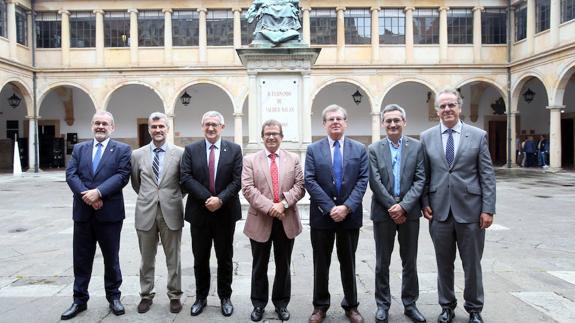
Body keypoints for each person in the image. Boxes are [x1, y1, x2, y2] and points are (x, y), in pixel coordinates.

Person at [420, 88, 496, 323]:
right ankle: (447, 307)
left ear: (459, 107)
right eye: (442, 106)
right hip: (439, 211)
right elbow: (424, 174)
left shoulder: (477, 135)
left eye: (451, 105)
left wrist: (488, 208)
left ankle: (474, 309)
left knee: (472, 264)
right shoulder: (427, 137)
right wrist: (424, 202)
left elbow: (487, 175)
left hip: (472, 212)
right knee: (444, 264)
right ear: (437, 111)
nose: (447, 109)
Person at [62, 111, 131, 320]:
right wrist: (89, 196)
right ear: (92, 126)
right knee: (81, 259)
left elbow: (122, 176)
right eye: (97, 123)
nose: (101, 126)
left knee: (111, 258)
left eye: (105, 123)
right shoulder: (79, 148)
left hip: (109, 214)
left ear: (113, 127)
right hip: (83, 213)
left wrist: (98, 192)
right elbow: (71, 174)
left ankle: (114, 297)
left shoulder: (122, 149)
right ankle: (79, 300)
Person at [305, 105, 368, 323]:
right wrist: (329, 207)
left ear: (345, 122)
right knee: (320, 263)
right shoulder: (314, 149)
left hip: (349, 217)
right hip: (322, 217)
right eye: (330, 119)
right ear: (324, 124)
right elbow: (309, 180)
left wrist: (347, 207)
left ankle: (351, 306)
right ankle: (320, 306)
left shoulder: (359, 149)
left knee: (348, 262)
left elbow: (362, 180)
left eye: (339, 118)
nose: (335, 122)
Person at [180, 110, 243, 317]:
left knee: (225, 258)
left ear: (222, 127)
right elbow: (186, 178)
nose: (211, 128)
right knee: (200, 258)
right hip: (200, 212)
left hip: (225, 214)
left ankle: (225, 296)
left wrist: (220, 199)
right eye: (207, 124)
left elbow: (237, 180)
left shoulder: (234, 150)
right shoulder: (191, 150)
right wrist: (208, 198)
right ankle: (201, 297)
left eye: (215, 124)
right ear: (202, 126)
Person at [242, 119, 306, 322]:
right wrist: (271, 207)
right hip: (261, 219)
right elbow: (248, 189)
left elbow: (300, 186)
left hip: (286, 220)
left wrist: (283, 204)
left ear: (281, 137)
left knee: (283, 265)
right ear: (262, 137)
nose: (271, 137)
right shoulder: (250, 160)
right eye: (267, 133)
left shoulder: (293, 158)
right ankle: (258, 304)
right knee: (259, 265)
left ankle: (281, 303)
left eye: (275, 133)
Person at [368, 104, 426, 323]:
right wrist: (393, 207)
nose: (393, 124)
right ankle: (382, 304)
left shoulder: (417, 147)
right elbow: (375, 181)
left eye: (397, 120)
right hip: (383, 214)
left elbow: (421, 179)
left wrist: (404, 206)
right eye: (389, 121)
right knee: (382, 262)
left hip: (409, 213)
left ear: (404, 122)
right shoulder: (374, 149)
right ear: (383, 123)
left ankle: (410, 304)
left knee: (409, 261)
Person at [130, 112, 185, 314]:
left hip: (171, 211)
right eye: (154, 127)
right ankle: (146, 294)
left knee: (174, 258)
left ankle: (174, 295)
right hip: (146, 211)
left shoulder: (180, 153)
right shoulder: (137, 155)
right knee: (146, 258)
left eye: (161, 126)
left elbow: (183, 183)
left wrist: (170, 197)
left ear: (167, 128)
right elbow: (136, 183)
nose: (158, 130)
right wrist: (150, 196)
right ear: (149, 129)